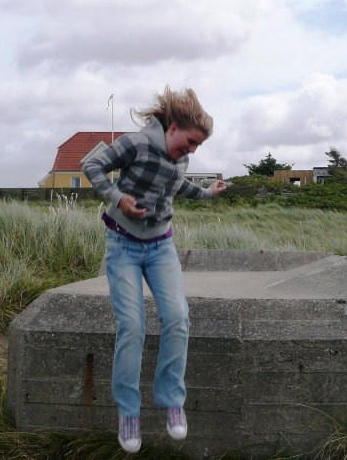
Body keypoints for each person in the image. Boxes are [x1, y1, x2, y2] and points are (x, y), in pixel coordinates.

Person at [83, 86, 226, 453]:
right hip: (123, 245)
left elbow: (178, 186)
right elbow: (92, 165)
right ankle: (128, 413)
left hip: (161, 246)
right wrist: (117, 198)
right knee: (132, 326)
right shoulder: (136, 144)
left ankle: (172, 401)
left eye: (198, 146)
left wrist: (208, 193)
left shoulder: (181, 158)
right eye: (190, 142)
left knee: (178, 318)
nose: (192, 150)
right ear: (172, 128)